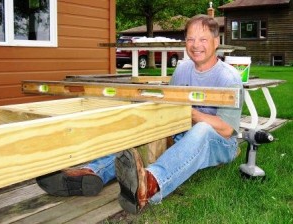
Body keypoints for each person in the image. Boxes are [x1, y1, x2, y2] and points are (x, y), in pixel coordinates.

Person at [36, 14, 243, 214]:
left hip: (221, 144)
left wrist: (192, 114)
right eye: (190, 39)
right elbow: (169, 106)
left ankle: (150, 184)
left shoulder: (228, 77)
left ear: (216, 42)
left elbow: (226, 129)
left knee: (203, 129)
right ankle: (93, 173)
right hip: (183, 132)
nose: (195, 45)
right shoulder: (182, 70)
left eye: (203, 39)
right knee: (145, 127)